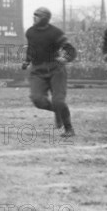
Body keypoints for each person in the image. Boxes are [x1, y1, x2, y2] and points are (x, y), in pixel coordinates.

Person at [22, 7, 77, 138]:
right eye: (34, 14)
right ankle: (57, 112)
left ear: (45, 18)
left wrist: (65, 58)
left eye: (37, 15)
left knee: (58, 101)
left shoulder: (55, 33)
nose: (34, 17)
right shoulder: (30, 32)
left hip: (55, 69)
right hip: (37, 70)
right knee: (37, 100)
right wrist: (27, 60)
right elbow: (31, 48)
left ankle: (69, 128)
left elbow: (71, 50)